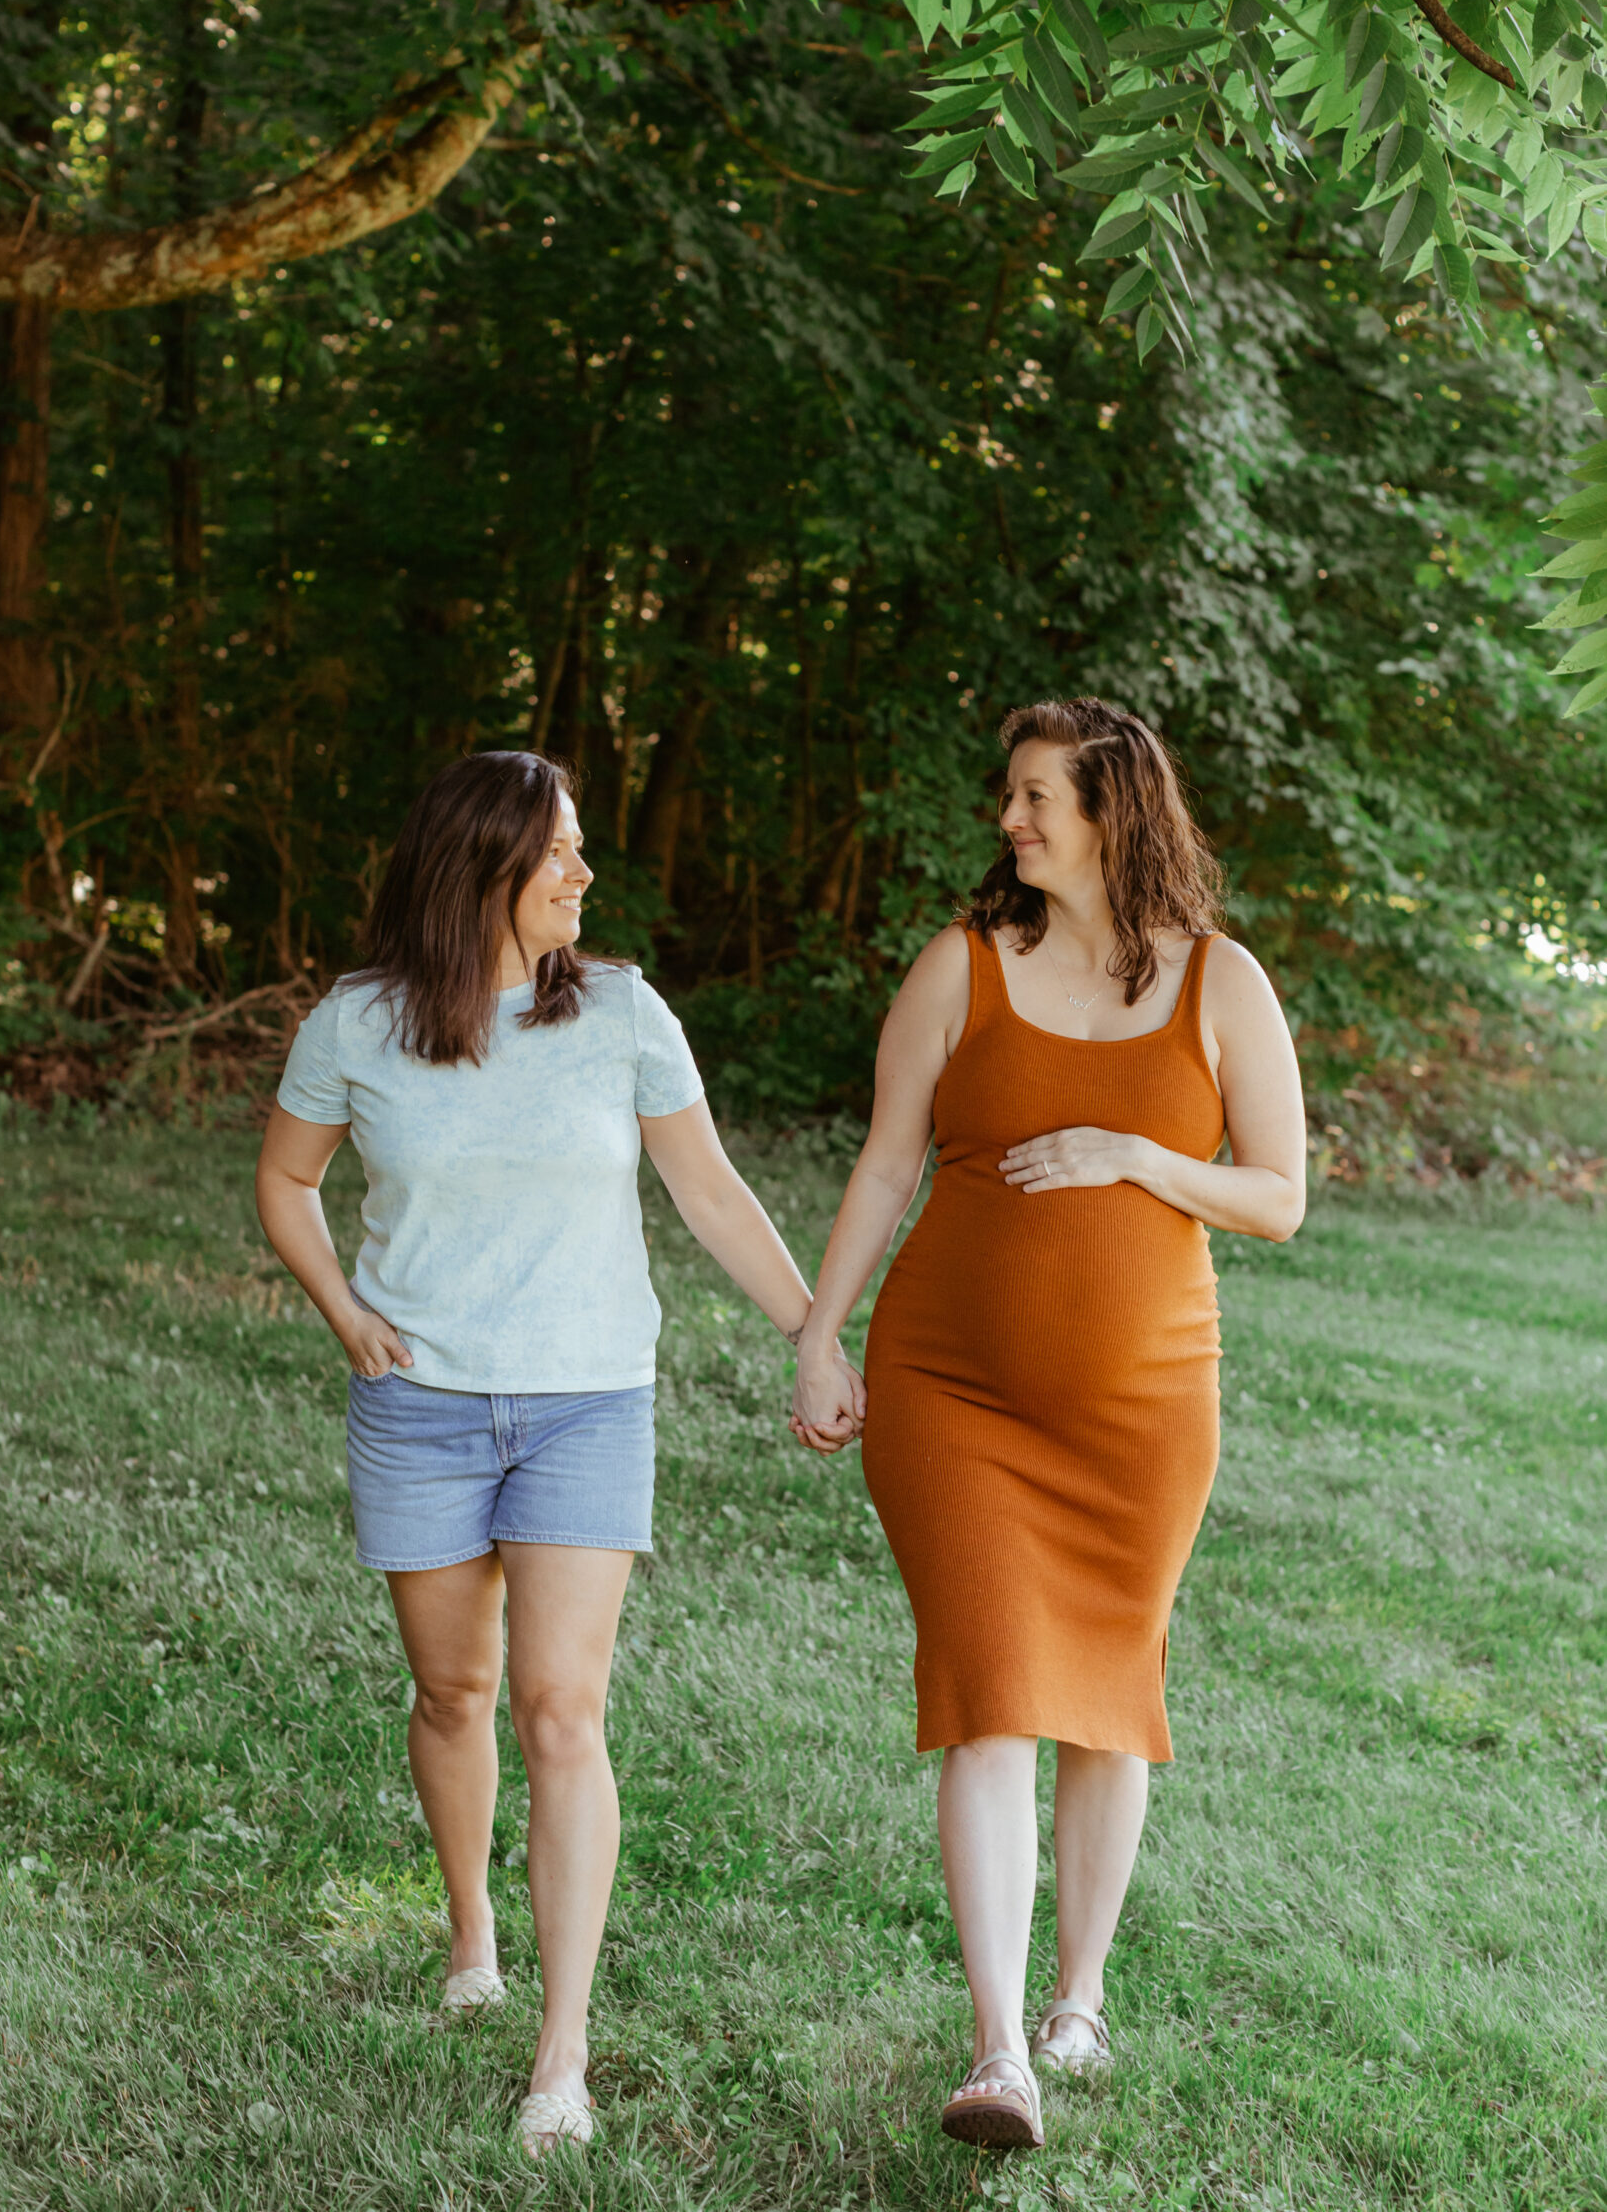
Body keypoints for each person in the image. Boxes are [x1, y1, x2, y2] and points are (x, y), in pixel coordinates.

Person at [256, 750, 863, 2159]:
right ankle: (472, 1932)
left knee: (558, 1708)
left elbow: (707, 1189)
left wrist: (812, 1334)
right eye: (560, 857)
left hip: (591, 1400)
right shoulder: (356, 1025)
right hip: (423, 1407)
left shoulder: (627, 1016)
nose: (586, 877)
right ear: (483, 870)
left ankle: (562, 2052)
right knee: (454, 1690)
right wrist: (342, 1308)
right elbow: (286, 1180)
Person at [792, 698, 1305, 2151]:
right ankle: (1001, 2050)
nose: (1010, 822)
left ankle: (1083, 1994)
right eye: (1010, 798)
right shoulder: (958, 970)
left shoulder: (1223, 983)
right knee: (992, 1688)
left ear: (1111, 814)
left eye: (1035, 799)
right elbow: (889, 1164)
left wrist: (1139, 1155)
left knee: (1107, 1697)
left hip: (1145, 1407)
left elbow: (1279, 1196)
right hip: (954, 1391)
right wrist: (823, 1336)